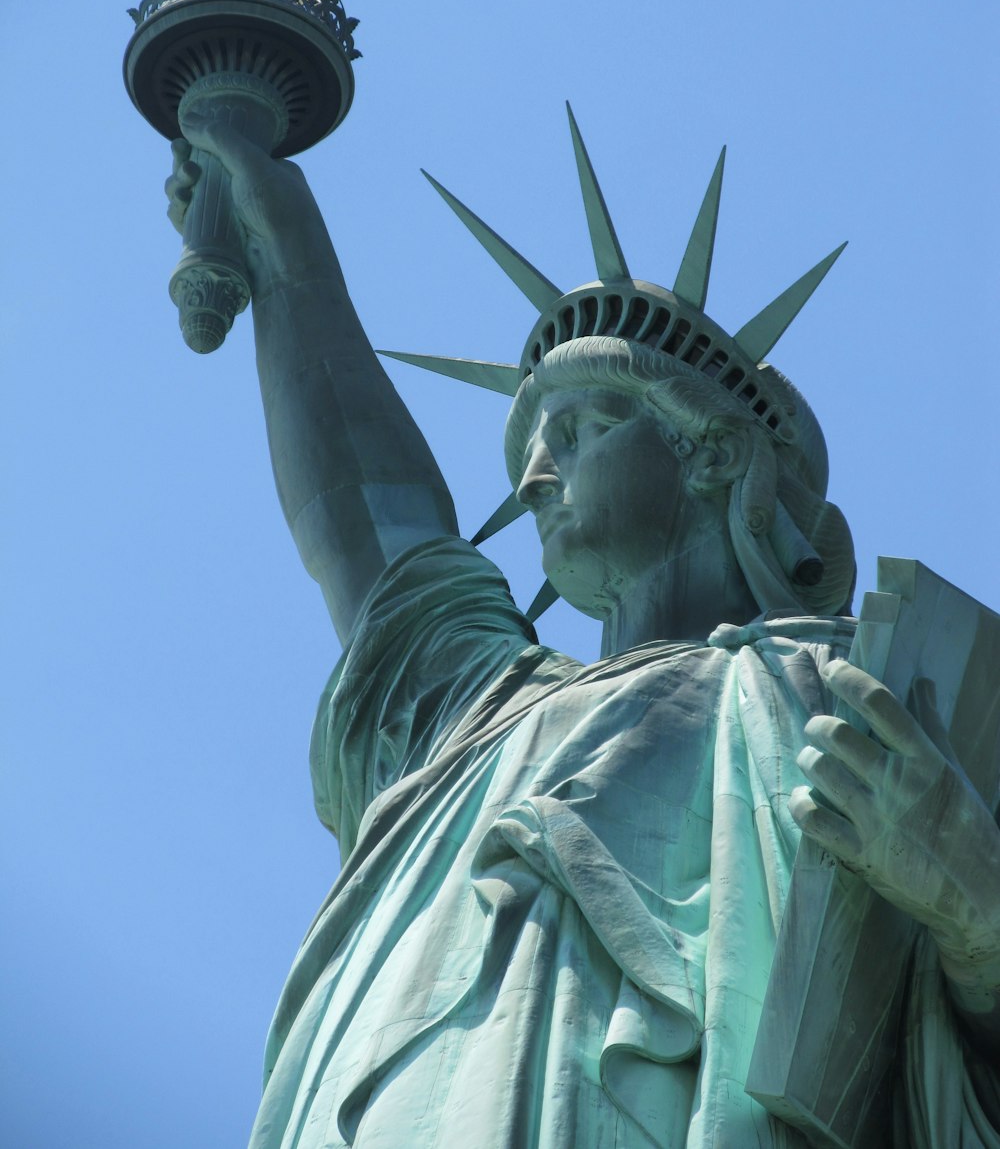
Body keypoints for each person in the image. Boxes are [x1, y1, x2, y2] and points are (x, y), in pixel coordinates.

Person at [166, 111, 1000, 1149]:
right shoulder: (483, 709)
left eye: (578, 428)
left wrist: (975, 906)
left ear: (709, 455)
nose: (530, 477)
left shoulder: (868, 702)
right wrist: (275, 232)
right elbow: (373, 529)